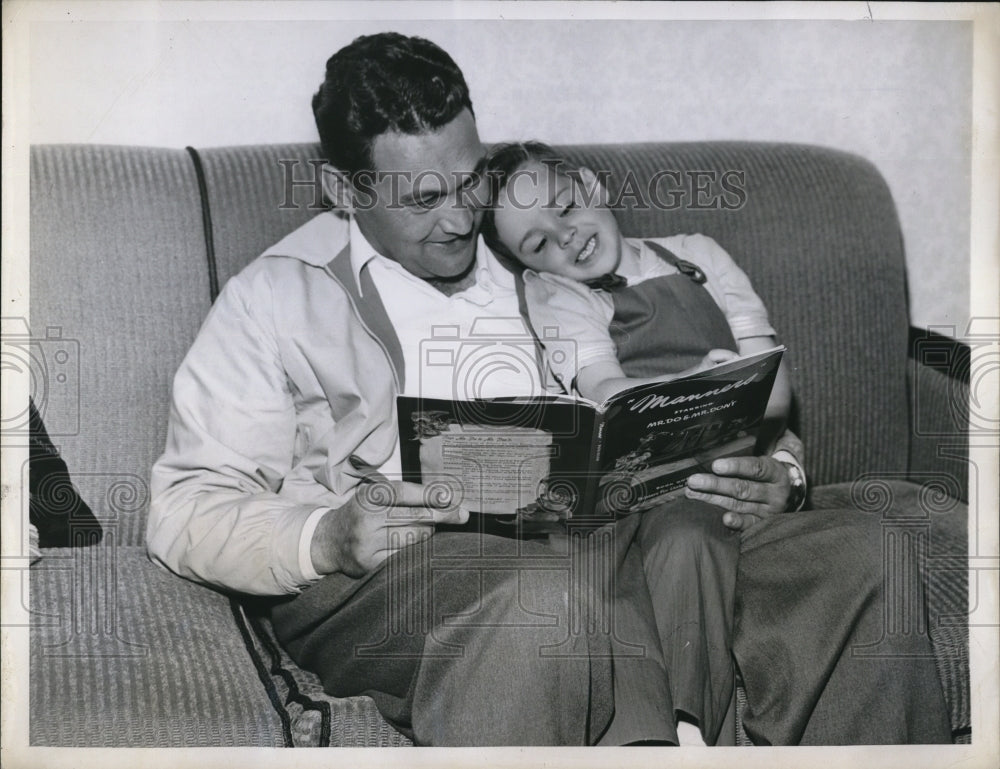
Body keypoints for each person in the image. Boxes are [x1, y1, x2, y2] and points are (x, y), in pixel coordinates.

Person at [147, 31, 952, 746]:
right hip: (411, 566)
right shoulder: (276, 297)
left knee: (864, 556)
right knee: (555, 604)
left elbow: (693, 367)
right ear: (346, 192)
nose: (463, 218)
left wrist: (781, 474)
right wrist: (326, 535)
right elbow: (184, 505)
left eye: (468, 181)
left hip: (627, 530)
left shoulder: (537, 238)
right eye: (426, 200)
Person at [478, 140, 794, 743]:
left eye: (565, 207)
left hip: (736, 473)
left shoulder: (697, 256)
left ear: (593, 185)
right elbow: (608, 395)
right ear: (531, 267)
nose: (565, 237)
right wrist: (709, 382)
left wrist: (734, 383)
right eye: (538, 243)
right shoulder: (561, 298)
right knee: (684, 533)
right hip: (651, 488)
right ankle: (695, 734)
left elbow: (777, 390)